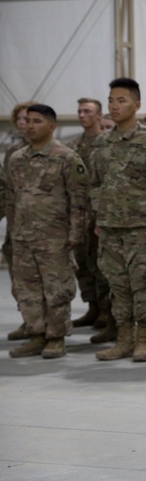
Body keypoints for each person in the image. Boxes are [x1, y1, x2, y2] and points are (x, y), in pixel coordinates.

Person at [89, 77, 146, 362]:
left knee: (142, 286)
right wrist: (99, 217)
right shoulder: (102, 143)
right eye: (111, 101)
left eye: (121, 100)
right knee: (118, 286)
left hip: (142, 229)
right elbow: (95, 184)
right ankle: (123, 339)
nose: (114, 106)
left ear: (137, 105)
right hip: (111, 229)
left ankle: (143, 341)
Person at [6, 104, 88, 359]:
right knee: (27, 289)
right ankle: (36, 334)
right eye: (28, 121)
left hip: (55, 237)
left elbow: (79, 200)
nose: (30, 126)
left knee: (57, 289)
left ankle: (56, 337)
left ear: (52, 126)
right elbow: (12, 198)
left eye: (37, 121)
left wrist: (76, 234)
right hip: (22, 236)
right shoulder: (17, 159)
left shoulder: (67, 157)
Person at [64, 98, 111, 333]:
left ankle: (106, 309)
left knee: (101, 264)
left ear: (100, 115)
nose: (82, 115)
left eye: (88, 111)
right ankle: (92, 305)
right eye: (79, 111)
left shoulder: (106, 144)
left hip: (101, 213)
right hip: (78, 212)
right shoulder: (71, 146)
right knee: (82, 263)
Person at [4, 101, 35, 342]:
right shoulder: (12, 154)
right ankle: (28, 321)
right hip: (15, 226)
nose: (24, 124)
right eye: (21, 120)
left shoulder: (55, 153)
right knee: (19, 280)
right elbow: (6, 190)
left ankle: (47, 329)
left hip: (42, 227)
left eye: (29, 119)